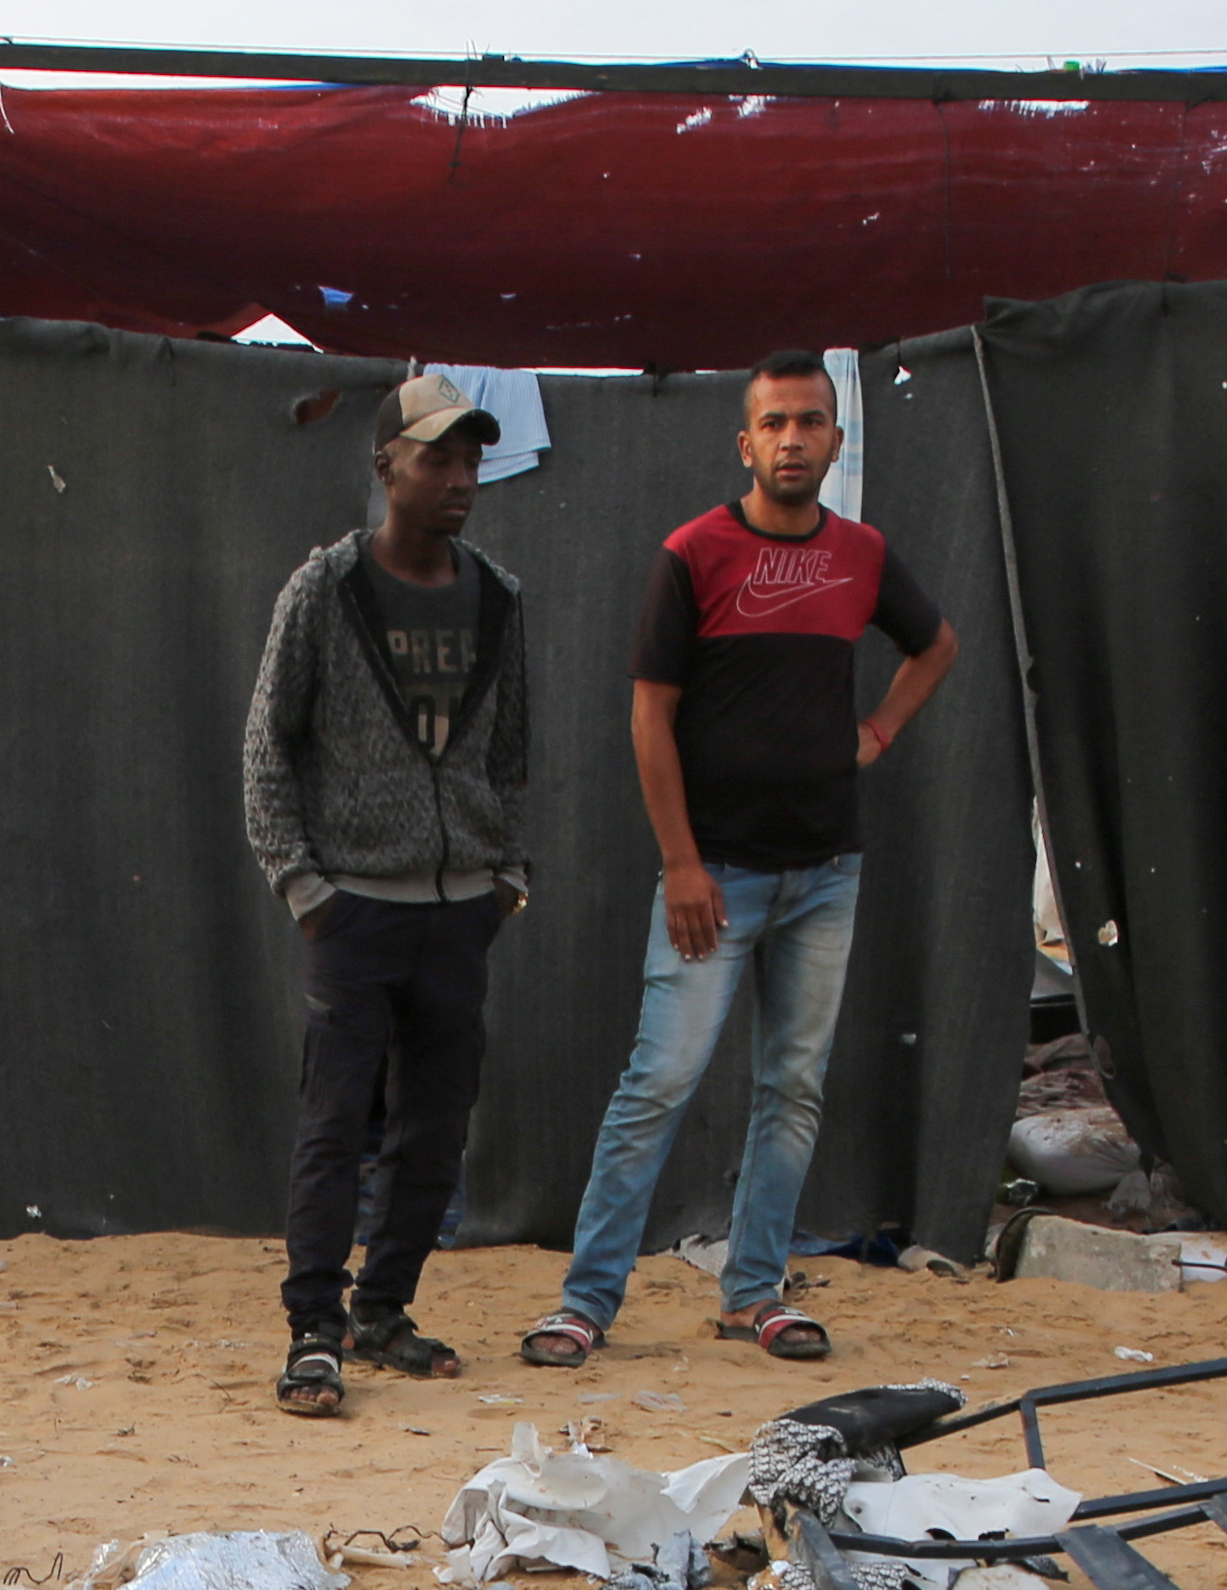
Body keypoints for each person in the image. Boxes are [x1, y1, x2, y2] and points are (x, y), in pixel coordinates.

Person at [524, 353, 957, 1370]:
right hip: (715, 874)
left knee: (792, 1089)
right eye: (774, 424)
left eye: (810, 423)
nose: (792, 440)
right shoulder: (694, 554)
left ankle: (753, 1293)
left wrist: (878, 733)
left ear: (835, 443)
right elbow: (648, 717)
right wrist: (681, 863)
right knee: (660, 1080)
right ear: (745, 443)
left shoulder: (862, 554)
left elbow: (935, 644)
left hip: (826, 872)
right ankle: (586, 1301)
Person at [240, 374, 534, 1419]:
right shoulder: (324, 590)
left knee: (437, 1123)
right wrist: (303, 885)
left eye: (470, 460)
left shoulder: (496, 593)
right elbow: (269, 747)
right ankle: (313, 1329)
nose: (459, 479)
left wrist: (507, 876)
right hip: (353, 906)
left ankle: (383, 1310)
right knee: (334, 1119)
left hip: (459, 909)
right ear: (386, 468)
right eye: (436, 459)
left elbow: (508, 754)